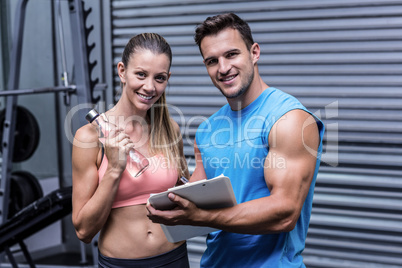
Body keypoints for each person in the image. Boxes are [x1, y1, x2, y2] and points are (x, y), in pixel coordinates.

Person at [146, 13, 325, 267]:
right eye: (211, 60)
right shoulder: (208, 130)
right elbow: (195, 198)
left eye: (231, 54)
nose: (223, 68)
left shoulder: (288, 119)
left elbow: (285, 212)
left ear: (254, 52)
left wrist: (203, 216)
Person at [72, 33, 190, 267]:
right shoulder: (89, 138)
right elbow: (84, 230)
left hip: (175, 257)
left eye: (160, 78)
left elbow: (184, 193)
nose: (150, 87)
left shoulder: (170, 130)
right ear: (122, 71)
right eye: (141, 74)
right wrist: (114, 168)